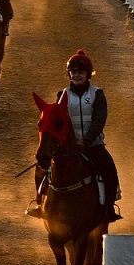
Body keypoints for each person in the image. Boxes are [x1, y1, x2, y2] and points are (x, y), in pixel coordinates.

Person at [33, 50, 119, 220]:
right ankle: (39, 202)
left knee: (110, 170)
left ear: (88, 74)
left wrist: (87, 140)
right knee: (40, 168)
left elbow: (99, 120)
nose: (77, 76)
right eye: (73, 72)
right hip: (67, 146)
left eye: (80, 72)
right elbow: (58, 122)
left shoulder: (97, 94)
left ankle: (109, 207)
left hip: (92, 144)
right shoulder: (62, 95)